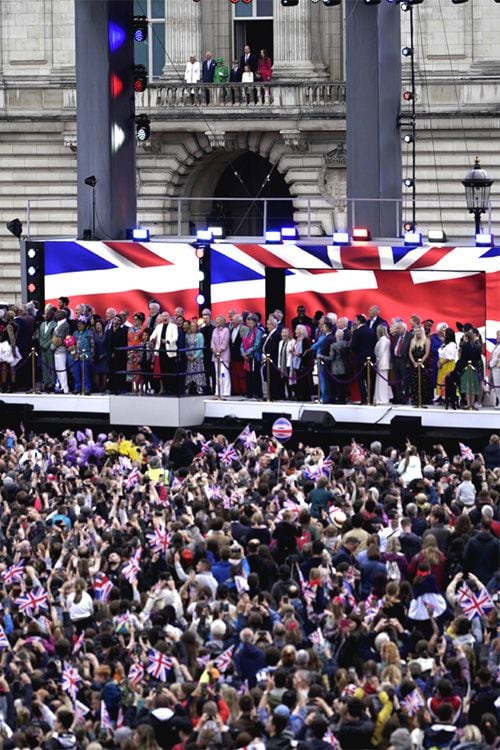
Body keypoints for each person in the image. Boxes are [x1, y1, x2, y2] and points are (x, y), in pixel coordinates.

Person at [409, 324, 432, 405]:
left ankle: (424, 399)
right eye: (416, 331)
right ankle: (415, 399)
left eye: (419, 331)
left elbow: (427, 353)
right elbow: (410, 353)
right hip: (415, 364)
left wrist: (421, 362)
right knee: (414, 382)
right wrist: (414, 362)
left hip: (423, 364)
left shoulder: (427, 340)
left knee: (423, 382)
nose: (418, 333)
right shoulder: (412, 341)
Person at [241, 313, 263, 399]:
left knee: (256, 375)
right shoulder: (246, 332)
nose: (249, 323)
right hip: (247, 358)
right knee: (248, 375)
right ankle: (249, 392)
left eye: (251, 321)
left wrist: (247, 353)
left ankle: (257, 392)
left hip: (255, 356)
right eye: (248, 321)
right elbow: (242, 344)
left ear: (255, 322)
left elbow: (257, 345)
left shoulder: (259, 332)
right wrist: (243, 353)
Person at [0, 310, 21, 392]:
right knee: (12, 367)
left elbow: (12, 338)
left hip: (7, 347)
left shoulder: (9, 326)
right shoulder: (16, 325)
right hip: (11, 346)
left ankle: (5, 385)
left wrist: (13, 350)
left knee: (4, 365)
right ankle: (12, 384)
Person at [436, 326, 457, 403]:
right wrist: (439, 362)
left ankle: (447, 397)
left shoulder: (452, 344)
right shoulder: (445, 344)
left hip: (447, 364)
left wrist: (441, 363)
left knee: (446, 381)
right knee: (441, 381)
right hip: (442, 364)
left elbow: (449, 357)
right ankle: (441, 396)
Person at [39, 305, 57, 393]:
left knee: (51, 366)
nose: (46, 316)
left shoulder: (55, 324)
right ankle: (45, 382)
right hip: (42, 349)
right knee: (44, 366)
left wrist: (46, 345)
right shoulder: (42, 324)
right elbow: (40, 336)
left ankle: (52, 383)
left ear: (52, 315)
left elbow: (53, 337)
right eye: (45, 314)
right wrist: (41, 344)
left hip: (49, 348)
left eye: (48, 314)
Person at [211, 315, 231, 397]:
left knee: (224, 373)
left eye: (218, 320)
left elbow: (225, 342)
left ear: (222, 322)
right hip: (216, 356)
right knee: (217, 374)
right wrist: (214, 350)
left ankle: (226, 391)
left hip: (224, 355)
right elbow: (212, 342)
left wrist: (220, 350)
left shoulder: (226, 330)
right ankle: (218, 390)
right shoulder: (214, 330)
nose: (216, 322)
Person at [373, 324, 392, 405]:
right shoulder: (385, 340)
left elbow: (380, 352)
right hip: (383, 363)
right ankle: (379, 398)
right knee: (381, 382)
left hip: (382, 363)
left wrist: (376, 361)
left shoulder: (383, 340)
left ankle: (382, 399)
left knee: (382, 382)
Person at [185, 320, 205, 394]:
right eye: (191, 326)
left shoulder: (200, 335)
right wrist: (187, 355)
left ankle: (199, 387)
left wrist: (195, 356)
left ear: (197, 327)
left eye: (194, 326)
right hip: (189, 357)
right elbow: (186, 346)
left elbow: (201, 347)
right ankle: (188, 387)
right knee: (189, 372)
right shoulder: (187, 335)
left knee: (198, 372)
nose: (193, 328)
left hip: (197, 357)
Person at [127, 311, 145, 394]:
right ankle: (133, 388)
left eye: (137, 320)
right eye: (134, 319)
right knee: (131, 369)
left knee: (139, 370)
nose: (135, 321)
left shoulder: (143, 329)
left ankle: (140, 387)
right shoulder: (130, 329)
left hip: (139, 352)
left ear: (141, 320)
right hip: (130, 351)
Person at [92, 317, 109, 393]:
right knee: (97, 372)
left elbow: (108, 345)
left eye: (99, 325)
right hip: (96, 355)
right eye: (96, 325)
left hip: (104, 355)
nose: (98, 326)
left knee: (104, 372)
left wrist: (104, 354)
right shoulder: (93, 335)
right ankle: (97, 387)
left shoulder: (106, 334)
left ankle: (104, 386)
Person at [488, 329, 500, 408]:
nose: (497, 337)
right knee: (496, 386)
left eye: (499, 335)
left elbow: (497, 358)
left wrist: (490, 364)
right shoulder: (497, 346)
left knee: (498, 386)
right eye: (497, 335)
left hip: (497, 368)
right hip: (494, 368)